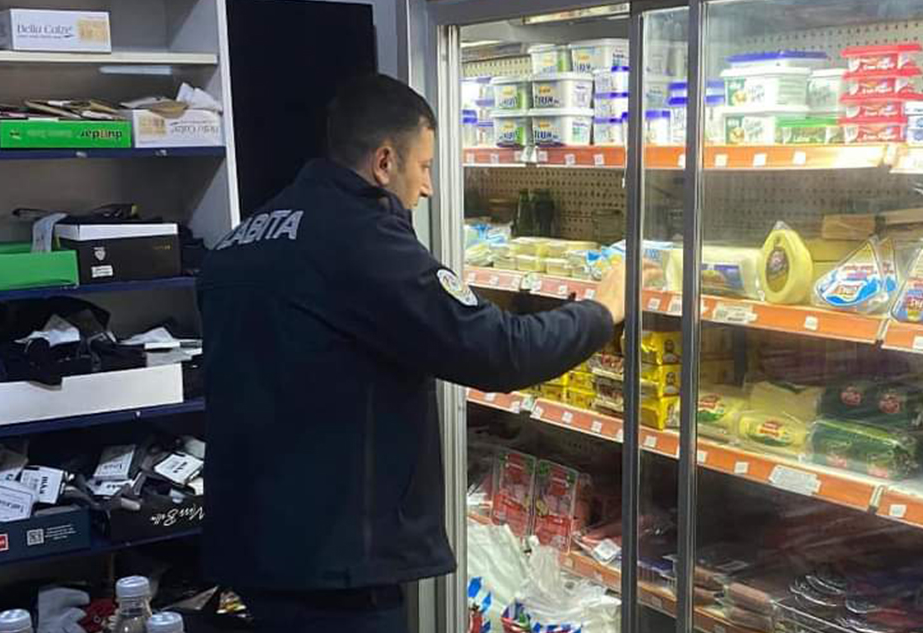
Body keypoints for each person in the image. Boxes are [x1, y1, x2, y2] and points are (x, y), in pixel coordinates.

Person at [197, 73, 626, 632]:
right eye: (423, 166)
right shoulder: (361, 241)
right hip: (334, 567)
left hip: (256, 545)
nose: (428, 188)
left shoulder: (244, 238)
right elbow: (500, 352)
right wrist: (601, 312)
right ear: (384, 161)